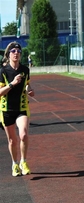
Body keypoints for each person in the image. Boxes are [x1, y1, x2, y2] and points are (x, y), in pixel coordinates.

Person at [0, 42, 35, 177]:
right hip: (6, 109)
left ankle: (23, 161)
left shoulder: (25, 70)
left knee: (24, 134)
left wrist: (29, 90)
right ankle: (14, 164)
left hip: (22, 107)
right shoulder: (3, 71)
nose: (16, 53)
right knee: (12, 140)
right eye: (13, 51)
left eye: (18, 51)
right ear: (8, 54)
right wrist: (12, 84)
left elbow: (27, 85)